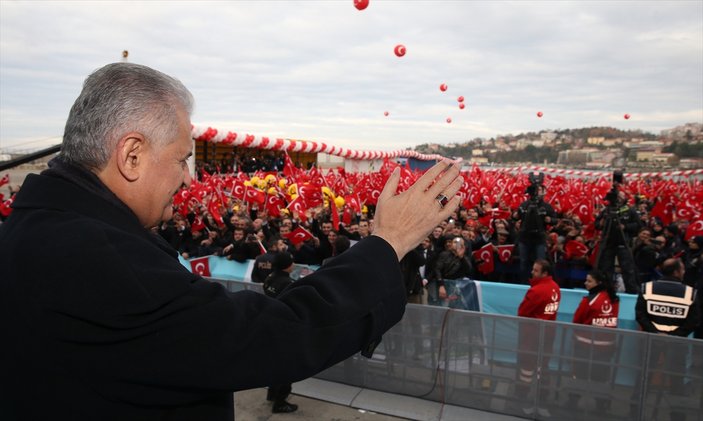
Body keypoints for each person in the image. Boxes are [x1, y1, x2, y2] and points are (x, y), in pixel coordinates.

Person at [0, 62, 464, 420]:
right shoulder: (95, 258)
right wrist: (389, 241)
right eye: (182, 158)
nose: (187, 176)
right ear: (132, 155)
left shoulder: (36, 227)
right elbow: (270, 336)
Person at [633, 258, 700, 420]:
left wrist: (655, 333)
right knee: (676, 381)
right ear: (677, 272)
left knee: (643, 377)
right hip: (677, 344)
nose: (684, 272)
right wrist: (675, 336)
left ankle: (634, 412)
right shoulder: (691, 293)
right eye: (682, 269)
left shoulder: (647, 288)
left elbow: (640, 314)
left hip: (651, 340)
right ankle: (677, 415)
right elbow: (694, 321)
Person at [568, 269, 620, 412]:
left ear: (599, 283)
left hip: (585, 346)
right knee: (601, 377)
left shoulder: (588, 301)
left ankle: (573, 402)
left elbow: (576, 321)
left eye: (589, 281)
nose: (586, 283)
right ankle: (601, 405)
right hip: (607, 348)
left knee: (579, 375)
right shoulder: (614, 299)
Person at [515, 259, 561, 417]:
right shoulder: (555, 287)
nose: (532, 273)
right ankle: (542, 400)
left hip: (532, 337)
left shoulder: (537, 291)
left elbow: (522, 312)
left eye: (535, 271)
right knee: (543, 369)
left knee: (526, 370)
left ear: (544, 273)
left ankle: (521, 399)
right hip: (548, 335)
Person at [262, 252, 298, 413]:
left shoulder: (270, 277)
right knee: (287, 366)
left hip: (270, 325)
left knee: (273, 362)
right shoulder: (288, 283)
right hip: (285, 328)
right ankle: (280, 401)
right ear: (287, 265)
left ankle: (272, 392)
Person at [594, 189, 641, 293]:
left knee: (627, 268)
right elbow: (596, 224)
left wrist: (625, 226)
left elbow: (638, 225)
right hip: (608, 242)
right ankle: (607, 290)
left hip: (623, 242)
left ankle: (631, 290)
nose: (618, 200)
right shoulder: (607, 210)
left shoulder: (630, 210)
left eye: (620, 197)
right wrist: (600, 224)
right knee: (606, 268)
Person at [516, 176, 556, 283]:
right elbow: (516, 217)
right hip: (525, 238)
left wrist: (550, 220)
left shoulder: (547, 207)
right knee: (523, 262)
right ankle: (524, 282)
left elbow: (555, 220)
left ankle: (541, 282)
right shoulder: (525, 205)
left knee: (541, 263)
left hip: (539, 238)